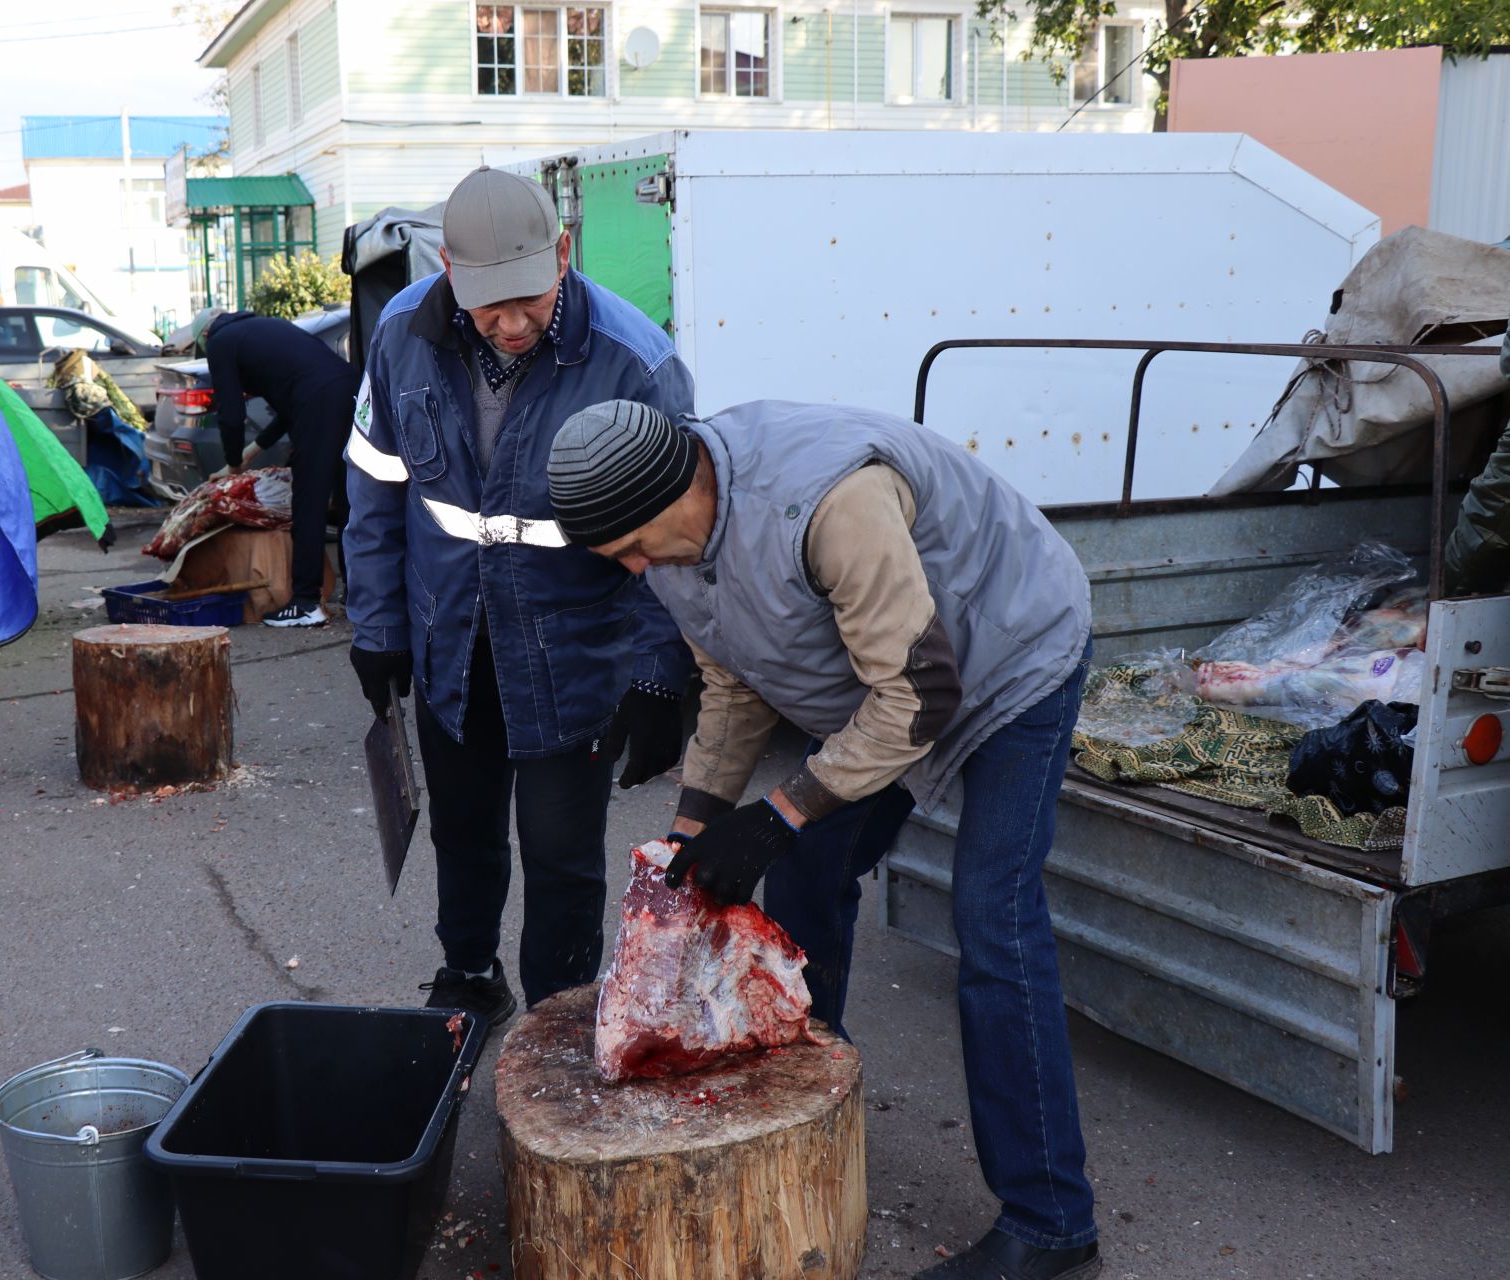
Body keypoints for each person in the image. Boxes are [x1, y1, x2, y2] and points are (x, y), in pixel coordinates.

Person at [547, 399, 1101, 1280]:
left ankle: (1053, 1224)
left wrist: (779, 813)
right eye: (620, 558)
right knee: (803, 870)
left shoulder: (830, 503)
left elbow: (922, 697)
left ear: (685, 479)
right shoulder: (662, 541)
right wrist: (690, 834)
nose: (638, 568)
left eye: (637, 547)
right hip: (880, 681)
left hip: (1007, 658)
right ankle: (810, 1106)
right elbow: (733, 681)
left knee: (993, 917)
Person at [343, 166, 696, 1026]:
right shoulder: (400, 335)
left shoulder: (634, 362)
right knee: (462, 830)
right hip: (450, 639)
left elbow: (680, 531)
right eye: (488, 303)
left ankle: (559, 1013)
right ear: (450, 274)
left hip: (572, 652)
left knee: (560, 851)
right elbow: (375, 485)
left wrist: (662, 670)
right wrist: (378, 623)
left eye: (530, 299)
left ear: (564, 254)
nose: (510, 323)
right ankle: (468, 973)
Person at [202, 309, 361, 626]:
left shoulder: (219, 341)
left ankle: (305, 602)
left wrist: (233, 464)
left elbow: (231, 415)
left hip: (319, 402)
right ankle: (360, 594)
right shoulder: (264, 328)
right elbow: (294, 402)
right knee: (350, 502)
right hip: (352, 389)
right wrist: (250, 453)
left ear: (204, 336)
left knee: (309, 501)